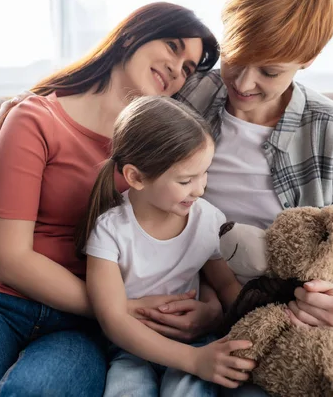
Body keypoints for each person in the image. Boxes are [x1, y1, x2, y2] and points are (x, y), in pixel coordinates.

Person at [0, 0, 333, 395]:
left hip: (297, 310)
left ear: (307, 60)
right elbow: (117, 110)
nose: (243, 83)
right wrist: (26, 105)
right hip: (205, 303)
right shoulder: (190, 92)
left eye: (270, 72)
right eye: (236, 59)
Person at [0, 2, 221, 397]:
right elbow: (9, 260)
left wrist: (213, 311)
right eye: (172, 46)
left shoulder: (166, 151)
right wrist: (119, 308)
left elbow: (194, 234)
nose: (176, 68)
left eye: (187, 69)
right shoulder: (34, 118)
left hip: (80, 327)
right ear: (131, 34)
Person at [80, 95, 255, 396]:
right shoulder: (110, 230)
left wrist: (256, 323)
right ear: (136, 177)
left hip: (194, 338)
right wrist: (193, 360)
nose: (199, 189)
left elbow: (227, 286)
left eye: (204, 173)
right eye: (186, 180)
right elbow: (113, 319)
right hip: (131, 347)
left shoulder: (208, 220)